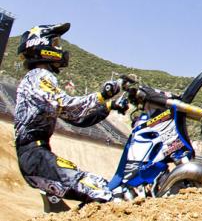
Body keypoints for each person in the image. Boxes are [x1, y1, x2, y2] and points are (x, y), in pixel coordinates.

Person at [13, 22, 126, 208]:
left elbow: (79, 119)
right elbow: (67, 107)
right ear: (43, 45)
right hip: (36, 157)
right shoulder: (38, 75)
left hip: (38, 156)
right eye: (55, 42)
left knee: (98, 186)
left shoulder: (38, 78)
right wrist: (103, 94)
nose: (59, 48)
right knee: (100, 190)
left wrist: (108, 105)